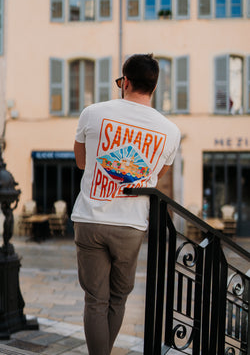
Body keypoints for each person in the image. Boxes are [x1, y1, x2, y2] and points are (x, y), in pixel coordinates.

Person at [71, 53, 181, 355]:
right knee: (117, 299)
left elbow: (82, 163)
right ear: (154, 86)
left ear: (125, 81)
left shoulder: (92, 112)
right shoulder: (170, 131)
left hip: (91, 217)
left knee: (95, 300)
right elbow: (157, 175)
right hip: (131, 225)